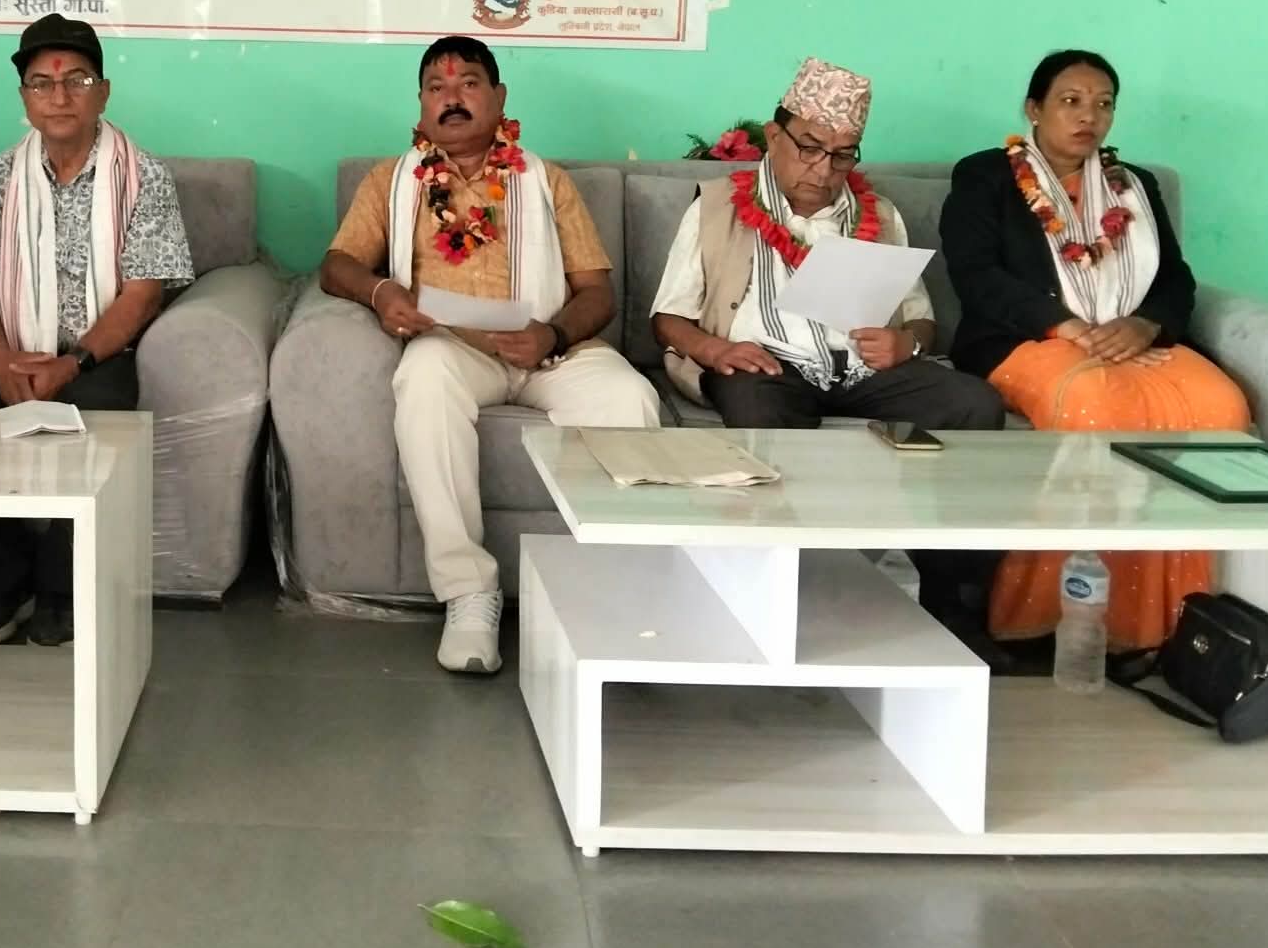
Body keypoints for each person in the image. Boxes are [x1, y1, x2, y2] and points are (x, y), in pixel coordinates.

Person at [321, 36, 661, 676]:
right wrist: (381, 290)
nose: (451, 99)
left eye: (468, 84)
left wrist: (552, 335)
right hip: (455, 348)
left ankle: (615, 589)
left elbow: (597, 293)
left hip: (551, 349)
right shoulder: (391, 181)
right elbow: (336, 264)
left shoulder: (547, 181)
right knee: (423, 377)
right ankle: (469, 593)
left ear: (500, 98)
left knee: (630, 398)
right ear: (421, 106)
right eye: (436, 88)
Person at [941, 48, 1252, 652]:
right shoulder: (986, 176)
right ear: (1033, 109)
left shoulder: (1134, 185)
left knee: (1221, 409)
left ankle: (1174, 625)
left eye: (1103, 104)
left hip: (1131, 337)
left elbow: (1175, 279)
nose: (1089, 116)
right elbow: (975, 274)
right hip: (1028, 340)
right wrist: (1067, 328)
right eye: (1071, 101)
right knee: (1094, 407)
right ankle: (1046, 621)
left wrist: (1144, 325)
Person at [0, 14, 193, 648]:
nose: (59, 96)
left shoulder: (144, 176)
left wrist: (72, 363)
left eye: (76, 80)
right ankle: (5, 574)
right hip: (8, 346)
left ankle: (60, 587)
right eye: (42, 82)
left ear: (103, 92)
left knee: (98, 415)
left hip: (97, 352)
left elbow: (143, 292)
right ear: (24, 97)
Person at [652, 56, 1006, 433]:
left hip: (864, 371)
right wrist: (716, 351)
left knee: (976, 404)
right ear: (774, 137)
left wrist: (907, 344)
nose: (823, 170)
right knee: (756, 408)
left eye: (842, 155)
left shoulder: (880, 215)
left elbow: (920, 318)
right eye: (809, 148)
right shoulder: (715, 207)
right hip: (764, 369)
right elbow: (668, 317)